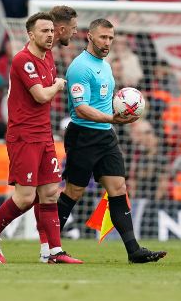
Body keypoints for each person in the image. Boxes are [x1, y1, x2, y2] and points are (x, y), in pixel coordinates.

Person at [0, 12, 82, 264]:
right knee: (24, 197)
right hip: (24, 135)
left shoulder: (48, 56)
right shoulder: (24, 60)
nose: (49, 35)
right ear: (31, 34)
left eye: (51, 31)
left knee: (50, 193)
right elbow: (41, 96)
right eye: (44, 31)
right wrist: (57, 85)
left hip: (43, 134)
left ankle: (53, 252)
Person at [58, 18, 166, 263]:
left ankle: (134, 251)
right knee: (74, 191)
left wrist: (118, 117)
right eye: (103, 37)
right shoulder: (79, 67)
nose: (107, 42)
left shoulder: (105, 65)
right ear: (90, 37)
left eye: (110, 38)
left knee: (119, 189)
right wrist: (112, 118)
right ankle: (50, 245)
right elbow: (82, 108)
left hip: (106, 134)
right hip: (83, 134)